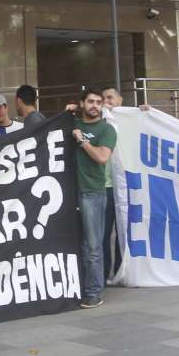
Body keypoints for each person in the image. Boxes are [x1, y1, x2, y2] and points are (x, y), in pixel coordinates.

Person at [69, 87, 117, 308]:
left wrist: (83, 142)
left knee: (93, 246)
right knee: (76, 243)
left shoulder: (107, 130)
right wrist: (65, 114)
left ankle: (94, 292)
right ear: (82, 103)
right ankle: (77, 287)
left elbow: (102, 157)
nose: (95, 105)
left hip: (93, 192)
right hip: (70, 192)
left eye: (99, 102)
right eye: (90, 101)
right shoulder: (72, 123)